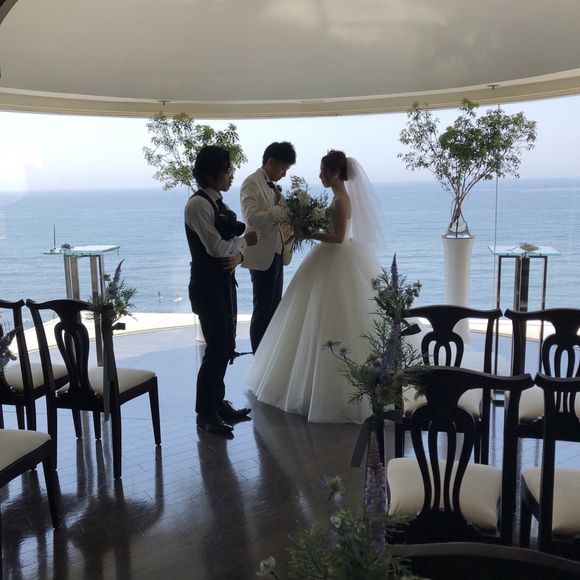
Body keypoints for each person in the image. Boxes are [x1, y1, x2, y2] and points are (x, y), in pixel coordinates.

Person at [247, 150, 385, 423]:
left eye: (323, 171)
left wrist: (308, 233)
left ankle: (330, 391)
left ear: (335, 172)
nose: (320, 175)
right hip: (331, 257)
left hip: (335, 256)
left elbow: (338, 237)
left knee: (331, 317)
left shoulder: (341, 200)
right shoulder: (338, 197)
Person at [185, 146, 258, 436]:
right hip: (207, 286)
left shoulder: (217, 202)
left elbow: (229, 252)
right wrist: (244, 243)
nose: (231, 175)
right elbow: (216, 248)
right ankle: (205, 412)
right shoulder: (198, 205)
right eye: (227, 170)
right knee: (216, 348)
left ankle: (217, 402)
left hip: (223, 283)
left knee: (226, 344)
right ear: (210, 173)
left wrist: (238, 256)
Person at [240, 141, 297, 353]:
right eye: (283, 168)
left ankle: (270, 355)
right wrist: (280, 211)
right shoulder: (251, 183)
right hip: (261, 255)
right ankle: (259, 358)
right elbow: (251, 218)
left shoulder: (272, 186)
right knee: (262, 310)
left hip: (277, 253)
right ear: (270, 162)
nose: (284, 174)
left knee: (274, 309)